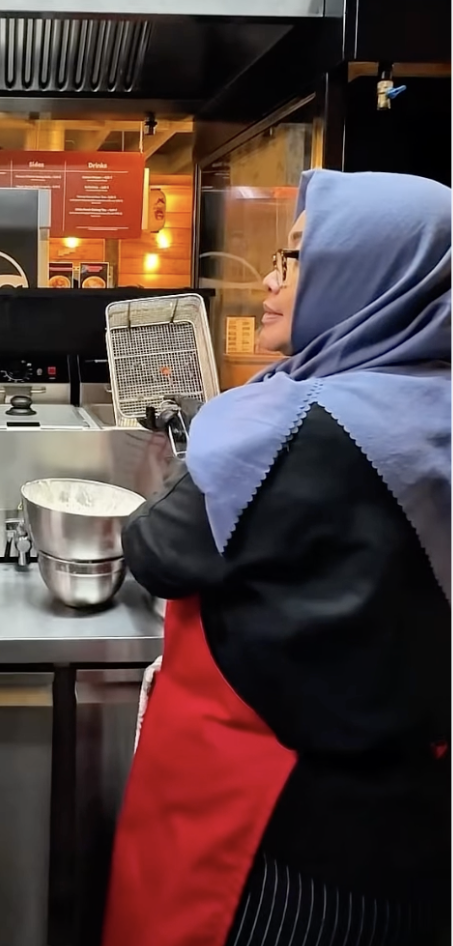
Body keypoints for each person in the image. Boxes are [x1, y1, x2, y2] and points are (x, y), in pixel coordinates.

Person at [103, 170, 451, 946]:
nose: (267, 279)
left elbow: (157, 550)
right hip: (421, 837)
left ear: (369, 274)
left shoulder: (290, 427)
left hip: (276, 846)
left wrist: (233, 422)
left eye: (295, 258)